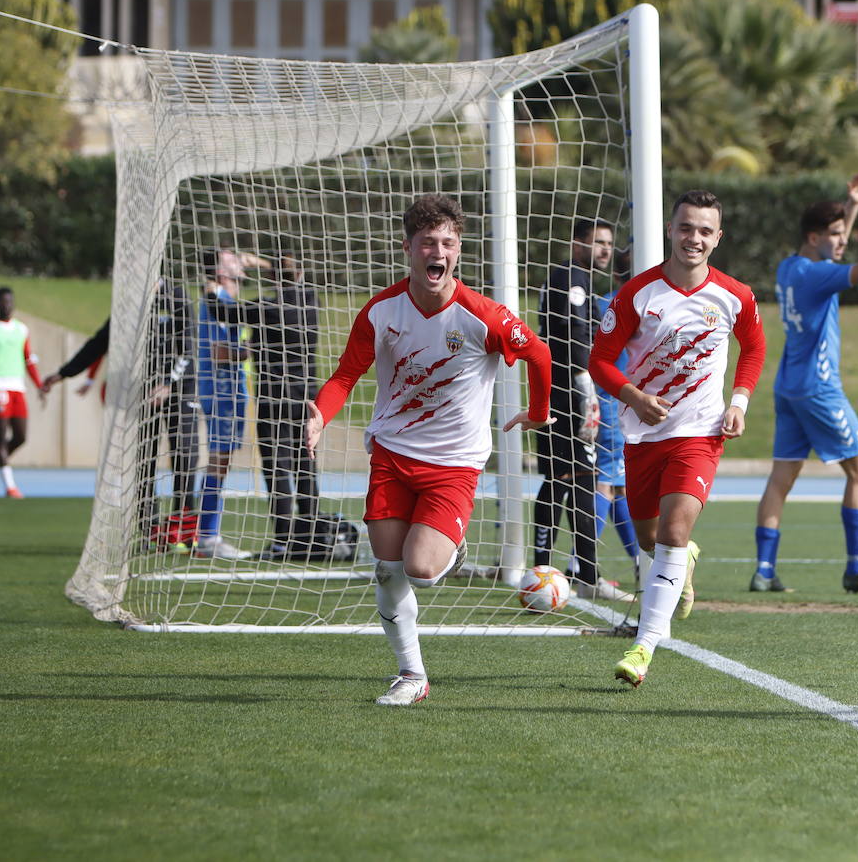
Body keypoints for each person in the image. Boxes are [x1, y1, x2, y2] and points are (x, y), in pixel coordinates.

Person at [304, 193, 553, 706]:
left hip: (454, 465)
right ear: (409, 249)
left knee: (421, 568)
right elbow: (346, 375)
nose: (437, 251)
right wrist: (320, 416)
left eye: (447, 243)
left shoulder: (484, 316)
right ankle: (411, 675)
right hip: (392, 456)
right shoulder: (381, 310)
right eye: (427, 243)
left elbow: (540, 353)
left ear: (458, 251)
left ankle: (448, 548)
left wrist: (538, 410)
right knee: (387, 569)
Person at [589, 189, 767, 688]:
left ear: (718, 238)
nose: (695, 238)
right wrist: (635, 396)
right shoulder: (636, 294)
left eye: (705, 231)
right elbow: (600, 360)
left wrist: (739, 402)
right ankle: (683, 559)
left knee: (671, 532)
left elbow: (753, 347)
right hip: (643, 436)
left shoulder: (736, 295)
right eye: (687, 227)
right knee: (652, 540)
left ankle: (643, 646)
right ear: (671, 229)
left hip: (701, 433)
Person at [752, 174, 858, 595]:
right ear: (814, 236)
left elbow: (831, 249)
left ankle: (764, 570)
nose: (843, 241)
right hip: (818, 388)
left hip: (788, 386)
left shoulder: (791, 266)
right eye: (836, 235)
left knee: (781, 479)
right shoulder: (817, 275)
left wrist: (851, 204)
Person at [41, 278, 199, 544]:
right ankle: (150, 529)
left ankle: (184, 529)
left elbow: (188, 348)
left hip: (179, 390)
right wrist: (63, 373)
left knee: (185, 456)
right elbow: (99, 342)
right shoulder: (130, 303)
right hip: (144, 392)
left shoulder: (178, 297)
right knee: (144, 459)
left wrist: (168, 384)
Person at [533, 218, 633, 602]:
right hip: (570, 392)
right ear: (578, 244)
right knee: (581, 479)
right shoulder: (574, 280)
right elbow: (574, 335)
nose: (606, 250)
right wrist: (586, 389)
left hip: (556, 391)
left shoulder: (567, 279)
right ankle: (585, 575)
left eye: (609, 243)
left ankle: (544, 566)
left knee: (559, 480)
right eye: (598, 243)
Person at [206, 251, 322, 560]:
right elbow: (291, 276)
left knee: (277, 466)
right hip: (309, 397)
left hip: (275, 397)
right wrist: (267, 265)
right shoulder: (311, 302)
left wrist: (209, 285)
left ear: (272, 278)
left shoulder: (266, 307)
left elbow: (222, 311)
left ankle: (283, 539)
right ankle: (309, 535)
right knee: (306, 465)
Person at [196, 245, 269, 559]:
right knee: (218, 460)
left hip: (229, 388)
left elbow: (266, 265)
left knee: (221, 461)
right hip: (221, 388)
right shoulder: (218, 303)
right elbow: (218, 352)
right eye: (231, 258)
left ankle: (207, 534)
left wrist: (259, 263)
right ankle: (208, 537)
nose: (240, 260)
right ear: (221, 270)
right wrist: (261, 346)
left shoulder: (227, 300)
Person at [591, 257, 641, 570]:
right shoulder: (638, 306)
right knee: (606, 481)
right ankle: (579, 564)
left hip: (603, 398)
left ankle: (638, 560)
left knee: (618, 483)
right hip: (617, 403)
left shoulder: (602, 303)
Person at [0, 286, 45, 498]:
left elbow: (28, 359)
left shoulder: (21, 329)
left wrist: (39, 384)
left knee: (21, 436)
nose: (7, 305)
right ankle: (10, 486)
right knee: (1, 435)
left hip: (17, 386)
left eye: (10, 301)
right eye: (3, 301)